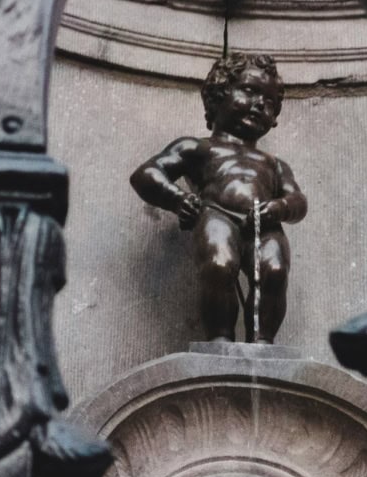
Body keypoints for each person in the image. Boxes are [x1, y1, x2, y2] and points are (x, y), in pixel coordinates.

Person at [130, 53, 307, 343]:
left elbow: (298, 200)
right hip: (216, 213)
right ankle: (220, 339)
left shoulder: (274, 164)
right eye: (249, 91)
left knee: (274, 271)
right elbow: (146, 174)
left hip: (265, 222)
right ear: (218, 95)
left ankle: (263, 343)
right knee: (218, 265)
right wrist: (177, 199)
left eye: (271, 102)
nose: (260, 103)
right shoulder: (199, 148)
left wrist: (280, 207)